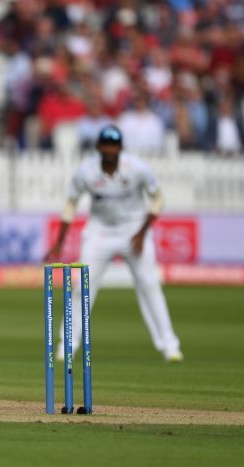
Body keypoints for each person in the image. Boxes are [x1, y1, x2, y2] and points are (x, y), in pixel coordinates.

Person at [45, 125, 183, 363]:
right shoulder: (86, 172)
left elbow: (158, 199)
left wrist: (141, 234)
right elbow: (70, 206)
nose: (110, 149)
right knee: (81, 287)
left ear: (120, 147)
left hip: (133, 230)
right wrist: (59, 243)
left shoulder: (137, 169)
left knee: (150, 285)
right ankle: (67, 346)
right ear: (99, 147)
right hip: (100, 233)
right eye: (106, 144)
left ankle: (169, 346)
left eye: (114, 144)